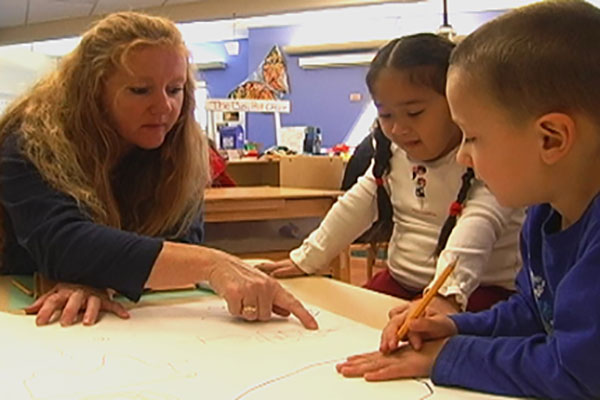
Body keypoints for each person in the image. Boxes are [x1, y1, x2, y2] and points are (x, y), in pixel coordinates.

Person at [336, 1, 600, 399]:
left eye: (472, 138)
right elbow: (535, 315)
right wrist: (457, 327)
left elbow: (577, 375)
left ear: (551, 139)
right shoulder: (546, 214)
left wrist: (449, 356)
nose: (462, 156)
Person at [0, 11, 317, 330]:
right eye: (140, 90)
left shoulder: (183, 150)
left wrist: (99, 274)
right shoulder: (32, 140)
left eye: (175, 89)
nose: (164, 106)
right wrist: (213, 263)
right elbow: (63, 242)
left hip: (116, 320)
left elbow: (183, 239)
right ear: (92, 93)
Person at [261, 33, 523, 316]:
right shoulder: (391, 152)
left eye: (414, 112)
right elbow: (358, 204)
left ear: (456, 103)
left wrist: (446, 296)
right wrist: (306, 259)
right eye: (386, 116)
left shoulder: (483, 154)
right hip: (402, 282)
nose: (398, 129)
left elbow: (478, 224)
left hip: (475, 292)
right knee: (347, 324)